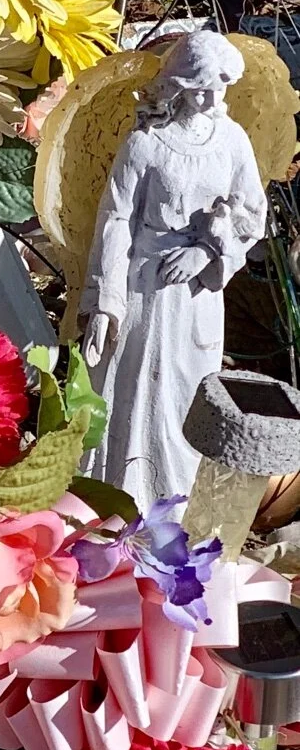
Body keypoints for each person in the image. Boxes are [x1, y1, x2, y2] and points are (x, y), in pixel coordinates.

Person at [80, 30, 266, 505]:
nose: (209, 97)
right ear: (178, 83)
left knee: (185, 391)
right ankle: (121, 500)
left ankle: (175, 506)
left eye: (218, 87)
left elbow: (251, 213)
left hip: (196, 295)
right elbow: (115, 218)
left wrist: (207, 252)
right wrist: (105, 303)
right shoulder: (146, 143)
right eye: (200, 85)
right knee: (133, 391)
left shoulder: (232, 141)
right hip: (143, 285)